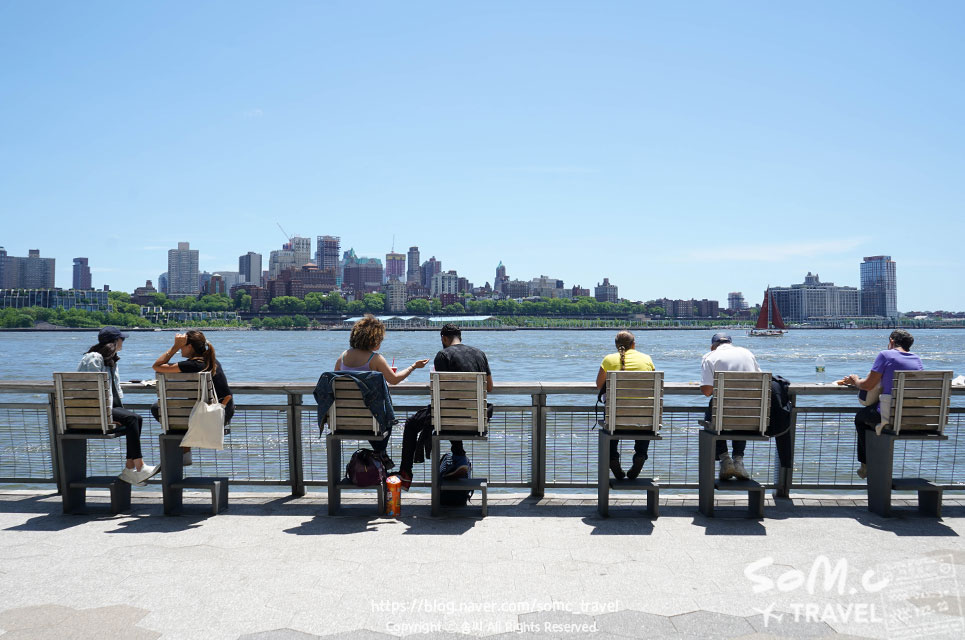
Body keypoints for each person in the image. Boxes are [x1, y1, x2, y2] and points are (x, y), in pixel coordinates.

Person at [394, 323, 493, 489]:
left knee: (412, 423)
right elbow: (489, 387)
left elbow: (442, 392)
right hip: (475, 417)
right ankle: (459, 457)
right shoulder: (479, 354)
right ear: (460, 337)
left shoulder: (443, 355)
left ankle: (406, 473)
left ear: (444, 338)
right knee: (454, 414)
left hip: (448, 415)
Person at [333, 315, 429, 469]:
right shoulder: (375, 359)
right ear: (373, 339)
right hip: (371, 423)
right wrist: (413, 366)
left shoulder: (342, 358)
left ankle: (380, 455)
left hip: (344, 421)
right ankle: (380, 453)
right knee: (386, 419)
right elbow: (394, 380)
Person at [77, 326, 160, 485]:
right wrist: (104, 416)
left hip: (105, 409)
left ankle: (130, 469)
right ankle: (139, 467)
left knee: (136, 419)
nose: (123, 341)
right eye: (122, 339)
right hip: (94, 410)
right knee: (133, 419)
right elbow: (88, 389)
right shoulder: (93, 358)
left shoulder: (110, 360)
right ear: (115, 341)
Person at [837, 329, 922, 479]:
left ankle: (866, 465)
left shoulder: (885, 355)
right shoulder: (917, 360)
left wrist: (855, 380)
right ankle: (875, 458)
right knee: (871, 417)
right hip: (910, 416)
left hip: (887, 416)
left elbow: (868, 385)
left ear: (891, 341)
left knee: (861, 418)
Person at [151, 330, 234, 466]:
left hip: (208, 417)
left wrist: (174, 347)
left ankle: (184, 452)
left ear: (189, 347)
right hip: (222, 414)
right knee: (179, 411)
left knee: (159, 408)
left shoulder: (191, 365)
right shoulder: (212, 361)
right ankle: (185, 451)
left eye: (182, 347)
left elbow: (157, 366)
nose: (180, 350)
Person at [700, 332, 761, 481]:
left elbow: (707, 391)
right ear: (730, 343)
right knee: (740, 415)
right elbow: (759, 381)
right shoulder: (748, 353)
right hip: (750, 413)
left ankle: (725, 459)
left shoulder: (710, 357)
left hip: (723, 413)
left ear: (712, 346)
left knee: (713, 415)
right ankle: (738, 461)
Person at [596, 331, 656, 480]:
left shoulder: (609, 359)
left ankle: (612, 458)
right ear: (634, 344)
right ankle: (640, 455)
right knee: (644, 416)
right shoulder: (646, 359)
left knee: (611, 421)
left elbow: (599, 385)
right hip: (643, 419)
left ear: (616, 345)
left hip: (615, 418)